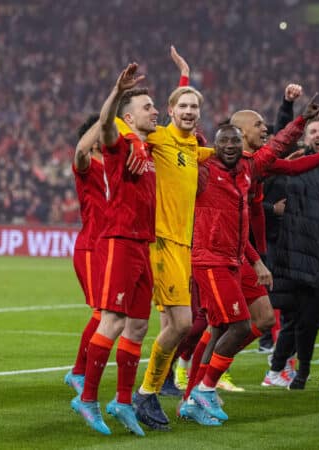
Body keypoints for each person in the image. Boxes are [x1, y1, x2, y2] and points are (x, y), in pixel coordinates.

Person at [180, 97, 319, 425]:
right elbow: (184, 144)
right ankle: (200, 389)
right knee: (233, 325)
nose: (264, 129)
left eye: (234, 141)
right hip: (211, 258)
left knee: (257, 320)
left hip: (239, 256)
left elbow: (277, 149)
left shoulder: (246, 170)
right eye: (258, 125)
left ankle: (199, 392)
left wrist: (257, 260)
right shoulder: (205, 171)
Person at [115, 47, 214, 430]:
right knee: (181, 324)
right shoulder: (156, 136)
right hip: (159, 242)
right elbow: (124, 125)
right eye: (182, 107)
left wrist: (186, 76)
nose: (188, 111)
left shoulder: (193, 147)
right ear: (169, 112)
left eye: (194, 107)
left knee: (173, 326)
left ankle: (147, 392)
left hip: (182, 244)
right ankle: (146, 392)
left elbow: (218, 150)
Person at [71, 63, 156, 436]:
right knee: (111, 320)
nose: (156, 111)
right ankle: (87, 397)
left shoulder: (149, 148)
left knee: (137, 327)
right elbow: (105, 127)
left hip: (143, 245)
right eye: (149, 107)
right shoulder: (119, 146)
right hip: (119, 242)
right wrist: (117, 91)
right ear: (129, 116)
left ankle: (123, 401)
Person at [262, 116, 319, 391]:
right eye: (313, 131)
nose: (318, 134)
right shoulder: (294, 166)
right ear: (305, 138)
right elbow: (262, 191)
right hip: (305, 256)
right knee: (305, 322)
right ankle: (301, 373)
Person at [64, 114, 105, 396]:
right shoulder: (87, 164)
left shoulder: (116, 165)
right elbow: (80, 150)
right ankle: (78, 372)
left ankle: (81, 371)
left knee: (117, 316)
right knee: (103, 313)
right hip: (91, 247)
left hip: (112, 247)